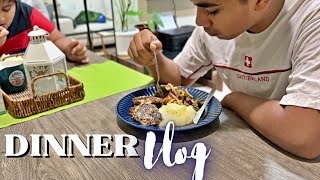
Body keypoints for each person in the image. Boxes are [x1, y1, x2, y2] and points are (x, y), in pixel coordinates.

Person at [128, 0, 320, 159]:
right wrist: (153, 58)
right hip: (248, 149)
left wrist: (234, 99)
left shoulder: (310, 18)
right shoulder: (209, 32)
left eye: (211, 10)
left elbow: (304, 136)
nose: (199, 20)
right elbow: (177, 81)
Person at [0, 0, 89, 64]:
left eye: (6, 8)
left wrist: (69, 49)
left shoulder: (27, 15)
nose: (1, 18)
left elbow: (57, 39)